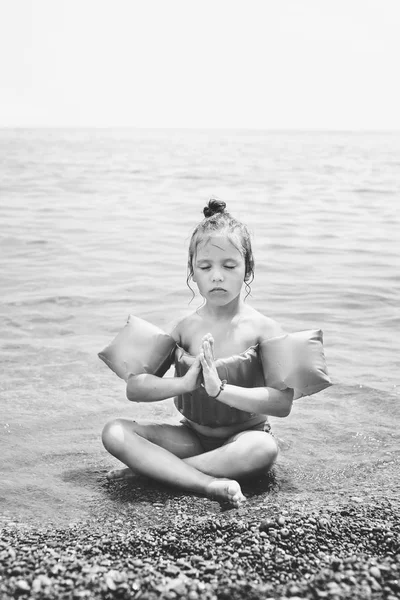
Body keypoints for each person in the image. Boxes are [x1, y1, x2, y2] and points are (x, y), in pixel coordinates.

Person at [101, 199, 296, 507]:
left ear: (248, 268)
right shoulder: (184, 328)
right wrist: (182, 384)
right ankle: (208, 484)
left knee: (264, 449)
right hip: (190, 438)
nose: (217, 276)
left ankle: (155, 472)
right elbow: (135, 388)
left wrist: (221, 390)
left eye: (229, 266)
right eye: (205, 267)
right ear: (193, 272)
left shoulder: (264, 328)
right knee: (114, 432)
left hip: (242, 439)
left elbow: (282, 402)